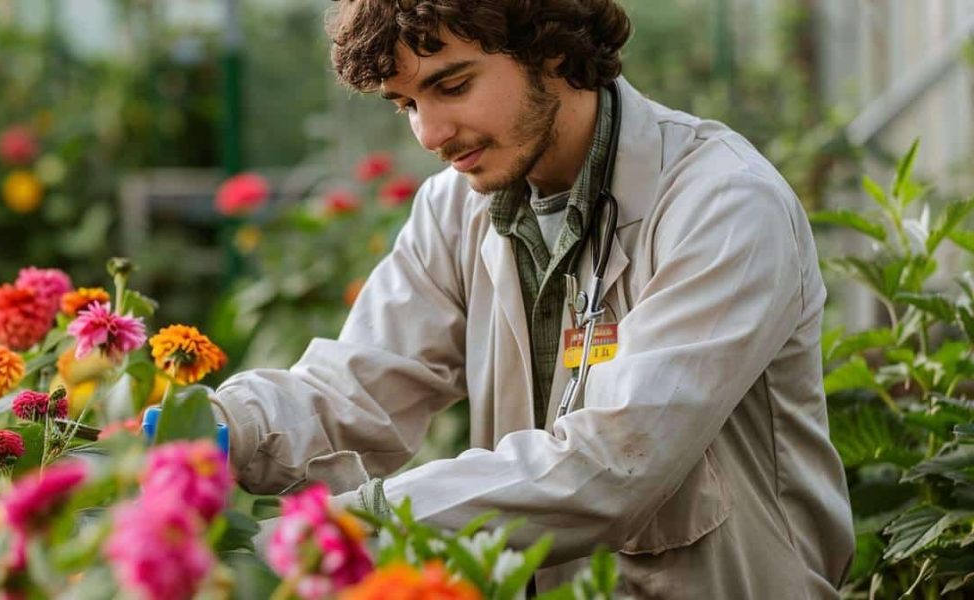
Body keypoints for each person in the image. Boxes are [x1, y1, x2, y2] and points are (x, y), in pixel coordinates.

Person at [211, 0, 855, 596]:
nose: (430, 133)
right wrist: (217, 431)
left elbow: (611, 466)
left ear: (549, 48)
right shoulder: (454, 207)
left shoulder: (721, 204)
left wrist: (347, 527)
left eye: (451, 85)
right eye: (405, 104)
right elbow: (355, 389)